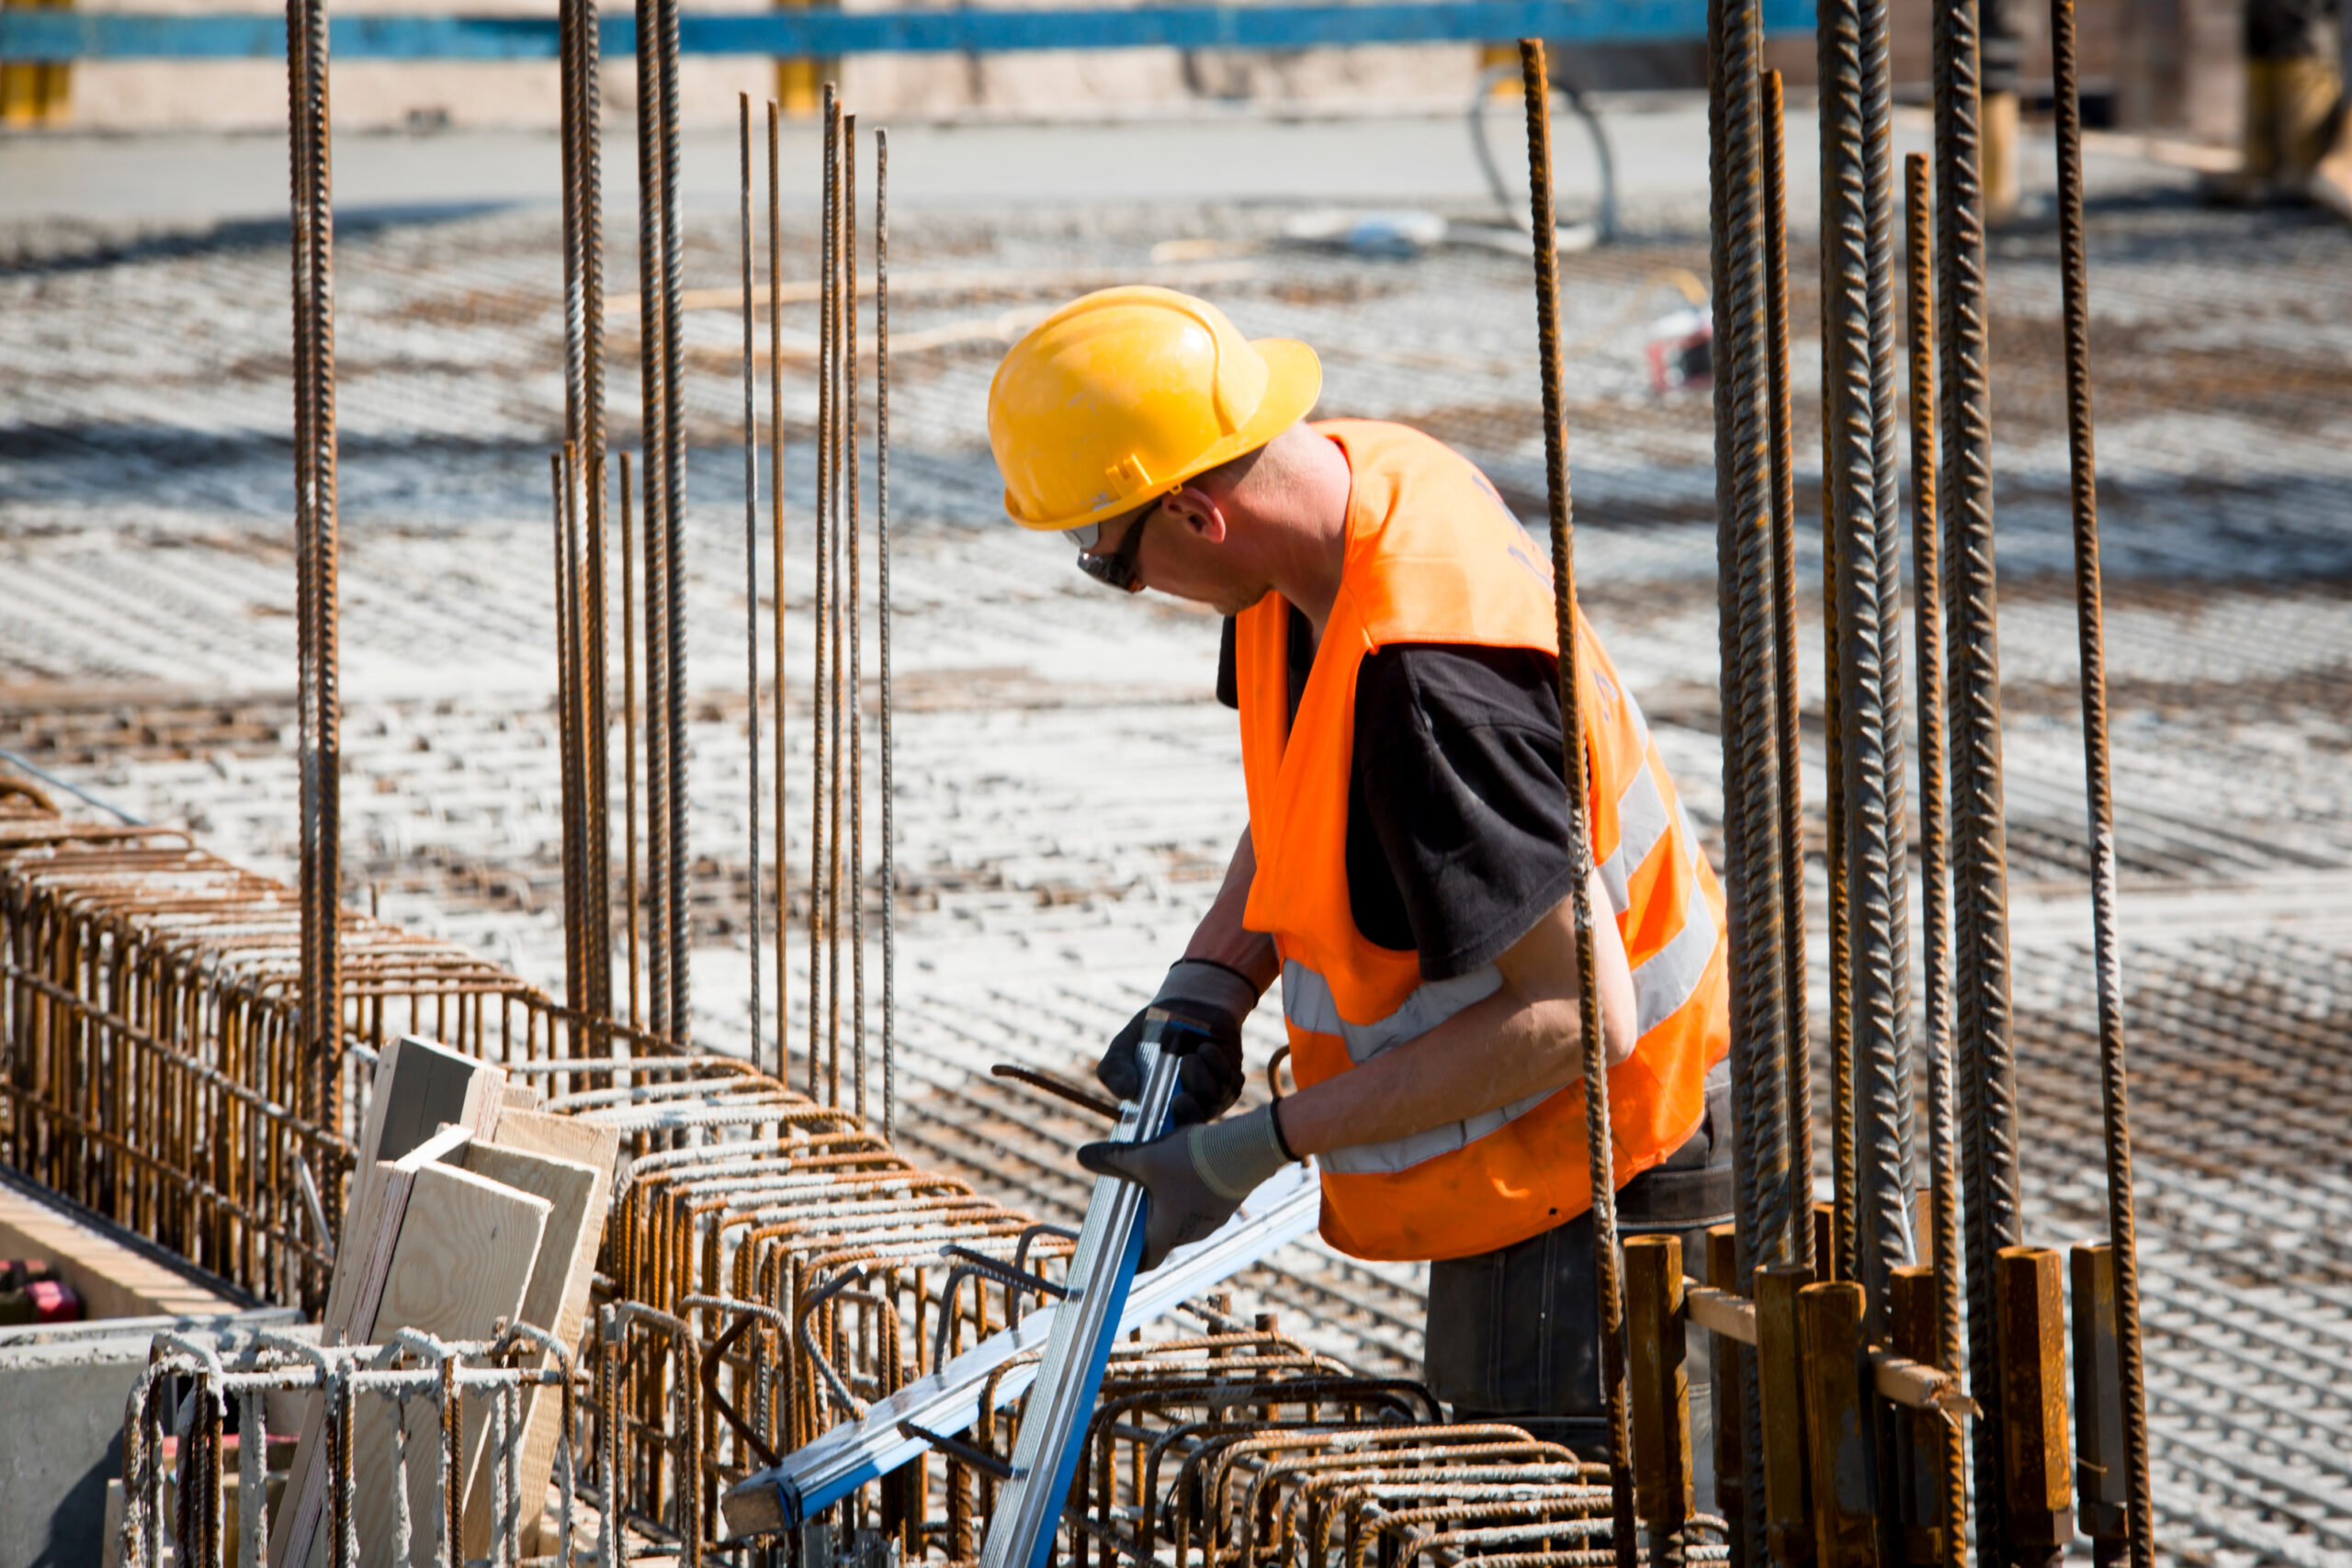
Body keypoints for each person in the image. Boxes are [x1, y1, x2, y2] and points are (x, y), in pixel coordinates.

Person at [984, 286, 1734, 1476]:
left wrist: (1250, 1150)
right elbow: (1303, 784)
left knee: (1546, 1520)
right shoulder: (1342, 499)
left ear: (1193, 511)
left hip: (1601, 1163)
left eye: (1109, 560)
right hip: (1524, 1137)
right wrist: (1210, 983)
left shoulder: (1427, 681)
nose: (1121, 586)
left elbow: (1576, 1014)